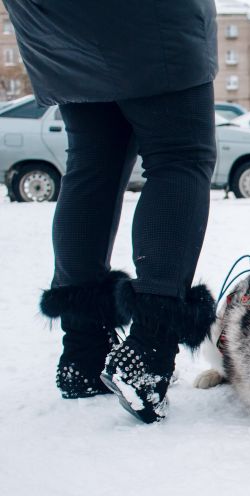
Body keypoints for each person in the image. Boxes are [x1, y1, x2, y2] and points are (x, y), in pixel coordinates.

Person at [4, 0, 219, 423]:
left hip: (52, 21)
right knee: (180, 155)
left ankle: (83, 351)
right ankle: (148, 353)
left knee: (92, 162)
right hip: (147, 19)